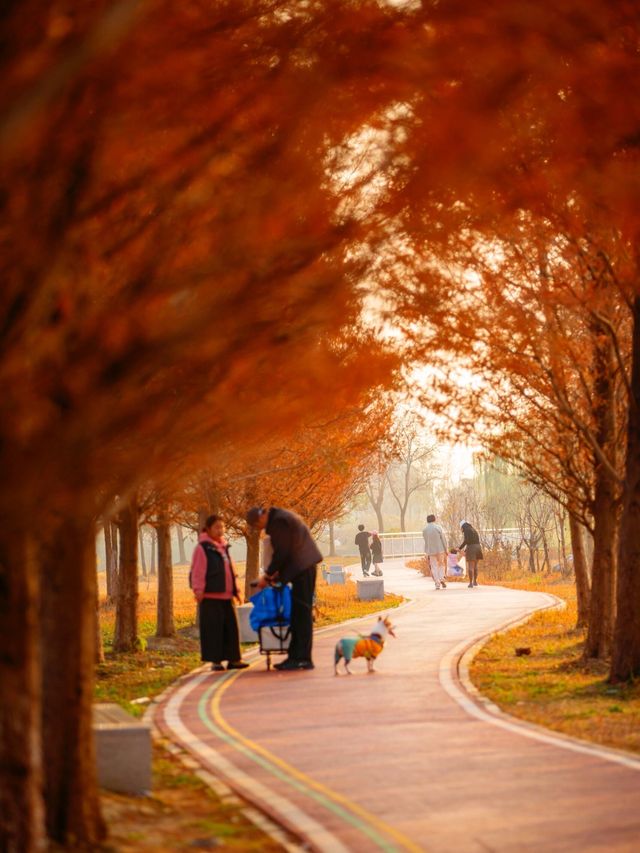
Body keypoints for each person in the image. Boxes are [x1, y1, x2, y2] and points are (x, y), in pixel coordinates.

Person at [246, 506, 322, 671]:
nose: (263, 530)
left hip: (303, 568)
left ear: (260, 518)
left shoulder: (278, 521)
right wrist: (277, 576)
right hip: (301, 567)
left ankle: (303, 658)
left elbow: (282, 552)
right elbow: (287, 551)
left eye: (260, 527)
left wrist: (267, 575)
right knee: (297, 614)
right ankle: (295, 656)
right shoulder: (280, 517)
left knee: (301, 614)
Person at [190, 514, 249, 672]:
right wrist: (198, 590)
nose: (220, 530)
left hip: (227, 596)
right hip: (210, 596)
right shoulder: (202, 548)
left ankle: (234, 660)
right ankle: (215, 661)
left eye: (222, 527)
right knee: (213, 630)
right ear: (208, 529)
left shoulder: (224, 547)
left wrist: (237, 591)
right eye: (216, 527)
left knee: (231, 629)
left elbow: (231, 571)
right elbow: (197, 572)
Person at [422, 513, 448, 590]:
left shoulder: (424, 530)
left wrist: (426, 551)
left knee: (433, 566)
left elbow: (426, 541)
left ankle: (437, 583)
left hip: (430, 551)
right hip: (440, 550)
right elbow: (443, 539)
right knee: (441, 564)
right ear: (434, 519)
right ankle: (442, 579)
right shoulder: (438, 528)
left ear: (427, 521)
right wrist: (446, 549)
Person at [459, 520, 483, 588]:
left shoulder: (466, 530)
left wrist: (460, 548)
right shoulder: (473, 530)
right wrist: (465, 549)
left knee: (470, 566)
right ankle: (475, 581)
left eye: (461, 527)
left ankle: (470, 583)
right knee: (475, 566)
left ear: (463, 526)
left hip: (471, 548)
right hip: (478, 547)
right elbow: (472, 541)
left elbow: (466, 541)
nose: (461, 529)